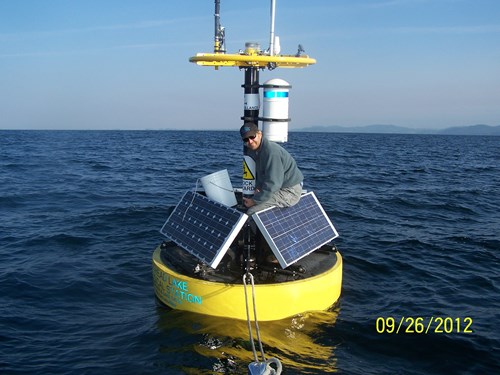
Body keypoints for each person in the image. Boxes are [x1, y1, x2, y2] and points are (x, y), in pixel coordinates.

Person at [240, 122, 303, 215]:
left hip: (290, 191)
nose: (250, 141)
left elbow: (273, 183)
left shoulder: (271, 152)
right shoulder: (257, 151)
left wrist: (254, 201)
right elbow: (264, 174)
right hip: (279, 187)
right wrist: (258, 187)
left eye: (252, 137)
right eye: (246, 139)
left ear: (259, 134)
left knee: (252, 211)